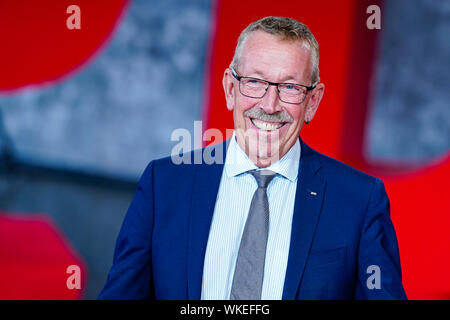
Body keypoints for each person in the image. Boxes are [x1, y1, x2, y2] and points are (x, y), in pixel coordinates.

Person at [98, 16, 407, 300]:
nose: (270, 105)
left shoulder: (359, 201)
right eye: (255, 82)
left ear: (312, 101)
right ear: (230, 88)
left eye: (289, 87)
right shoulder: (164, 184)